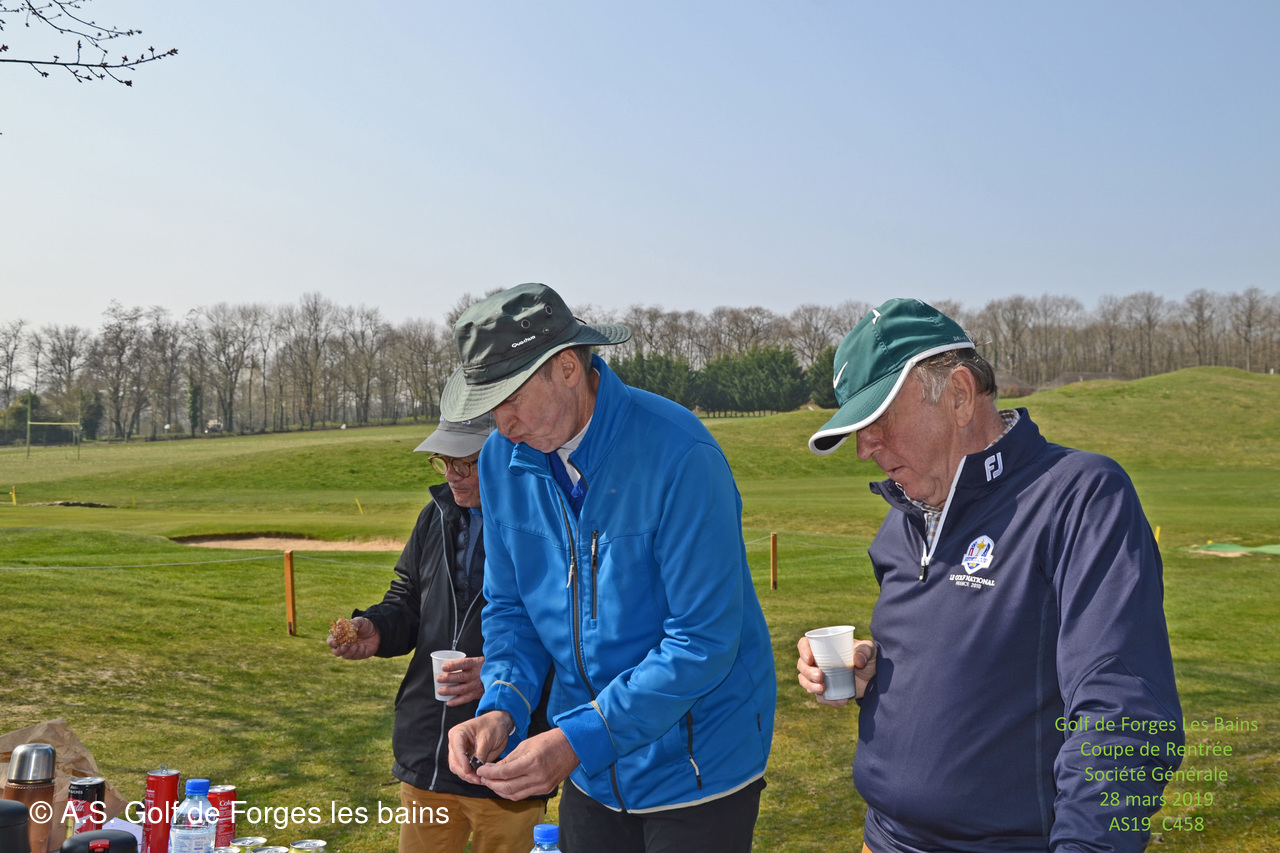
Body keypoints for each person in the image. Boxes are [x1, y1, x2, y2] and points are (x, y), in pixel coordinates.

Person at [796, 298, 1183, 853]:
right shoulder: (905, 515)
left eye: (879, 420)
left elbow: (1122, 711)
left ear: (958, 394)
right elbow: (975, 657)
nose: (864, 449)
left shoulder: (1079, 495)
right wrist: (875, 672)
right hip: (882, 839)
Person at [439, 283, 776, 853]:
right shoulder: (501, 460)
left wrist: (577, 738)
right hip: (590, 771)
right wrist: (502, 705)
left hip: (698, 766)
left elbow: (702, 640)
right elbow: (512, 609)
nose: (502, 424)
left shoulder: (680, 454)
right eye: (489, 404)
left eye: (511, 397)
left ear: (568, 369)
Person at [328, 413, 551, 853]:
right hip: (426, 756)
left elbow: (570, 636)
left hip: (508, 760)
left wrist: (501, 675)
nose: (451, 475)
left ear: (504, 455)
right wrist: (377, 629)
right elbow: (408, 600)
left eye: (464, 462)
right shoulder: (434, 516)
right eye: (443, 461)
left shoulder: (544, 524)